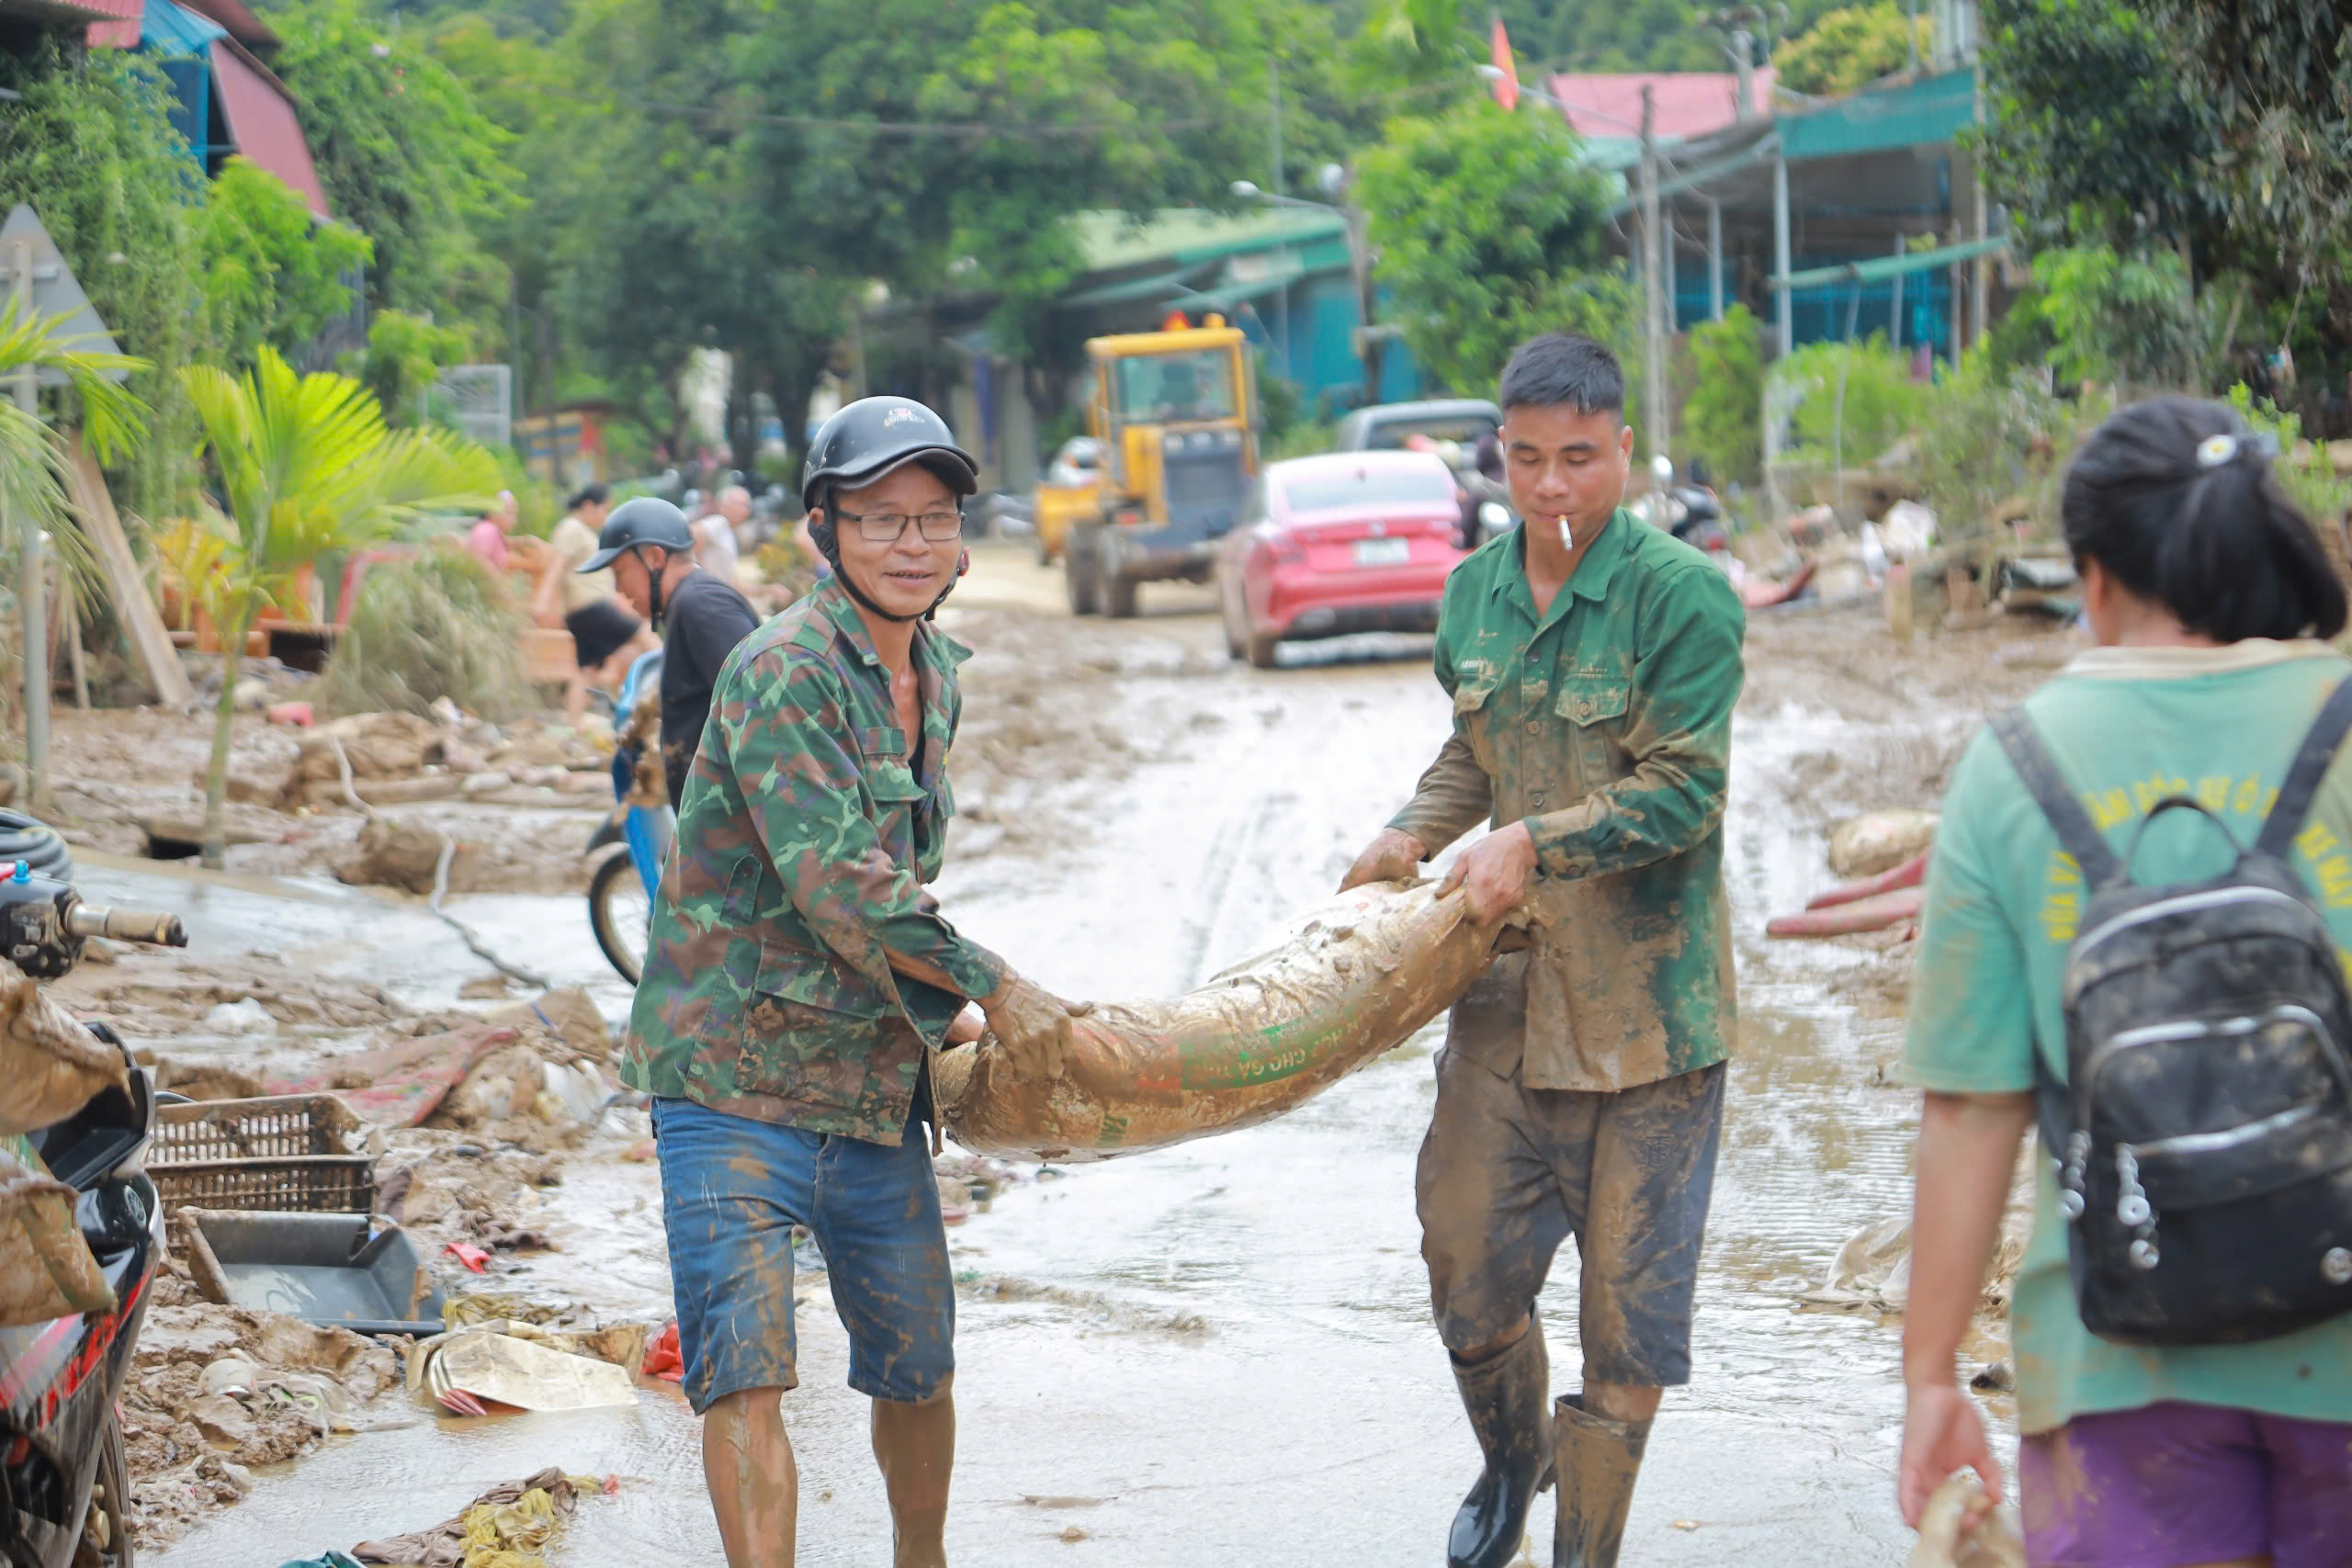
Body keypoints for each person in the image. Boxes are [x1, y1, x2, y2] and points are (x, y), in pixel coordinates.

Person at [619, 394, 1083, 1568]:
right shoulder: (782, 672)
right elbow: (845, 884)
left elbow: (902, 881)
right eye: (880, 519)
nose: (911, 543)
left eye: (933, 518)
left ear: (962, 539)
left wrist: (957, 1017)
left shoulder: (938, 674)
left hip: (869, 1082)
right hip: (726, 1079)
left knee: (917, 1363)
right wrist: (1003, 997)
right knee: (744, 1372)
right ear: (826, 530)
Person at [1896, 397, 2352, 1564]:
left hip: (2118, 1358)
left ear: (2090, 580)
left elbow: (1970, 1109)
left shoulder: (2011, 768)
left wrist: (1932, 1373)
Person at [1340, 333, 1746, 1568]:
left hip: (1651, 1022)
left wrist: (1535, 840)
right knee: (1463, 1266)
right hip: (1504, 1003)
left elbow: (1687, 791)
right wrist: (1415, 830)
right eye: (1528, 458)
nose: (1554, 484)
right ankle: (1511, 1454)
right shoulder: (1471, 592)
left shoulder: (1686, 592)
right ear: (1499, 457)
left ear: (1622, 448)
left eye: (1580, 456)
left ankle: (1585, 1550)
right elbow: (1479, 743)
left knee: (1629, 1327)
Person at [579, 495, 760, 813]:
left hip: (732, 833)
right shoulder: (683, 606)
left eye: (620, 572)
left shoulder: (701, 606)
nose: (618, 588)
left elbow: (756, 712)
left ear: (654, 558)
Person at [541, 483, 656, 721]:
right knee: (646, 636)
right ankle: (680, 677)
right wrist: (542, 600)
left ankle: (572, 727)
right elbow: (557, 565)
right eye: (604, 509)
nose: (605, 516)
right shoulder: (572, 529)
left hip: (581, 612)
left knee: (586, 670)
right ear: (588, 506)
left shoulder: (579, 530)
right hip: (592, 607)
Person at [696, 483, 750, 586]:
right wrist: (700, 574)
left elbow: (733, 584)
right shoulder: (719, 522)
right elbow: (695, 533)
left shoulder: (729, 532)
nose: (742, 509)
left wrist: (768, 589)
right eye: (737, 504)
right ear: (722, 506)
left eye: (746, 505)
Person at [466, 491, 520, 572]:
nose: (515, 520)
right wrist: (497, 581)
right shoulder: (487, 530)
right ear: (494, 511)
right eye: (511, 513)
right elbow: (478, 560)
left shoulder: (491, 530)